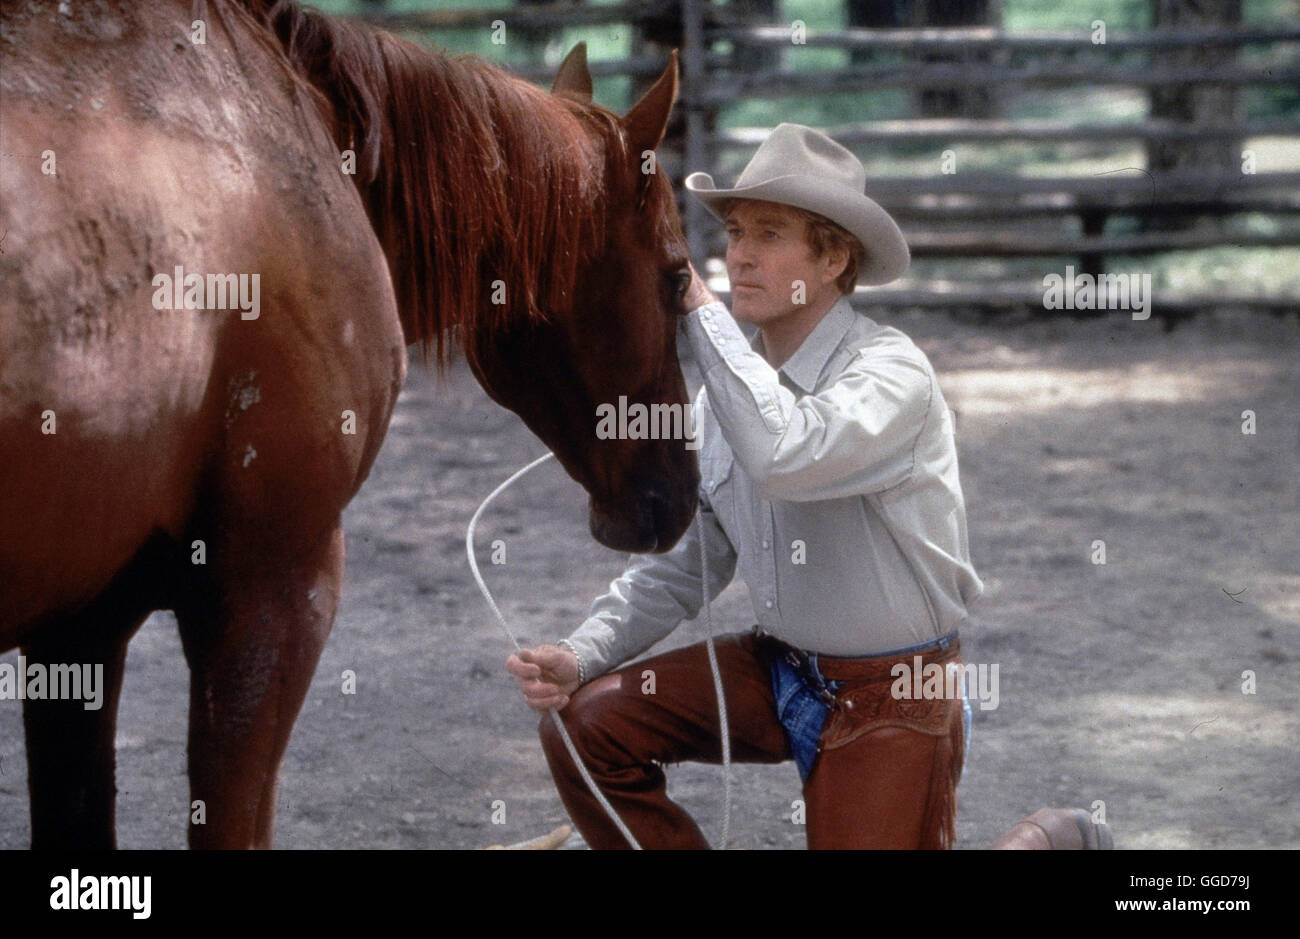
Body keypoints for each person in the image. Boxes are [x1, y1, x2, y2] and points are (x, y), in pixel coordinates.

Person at [506, 123, 1108, 850]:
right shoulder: (725, 403)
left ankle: (1039, 844)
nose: (740, 254)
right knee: (584, 726)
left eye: (771, 232)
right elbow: (685, 564)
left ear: (833, 258)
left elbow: (785, 452)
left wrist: (702, 312)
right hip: (776, 666)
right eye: (734, 231)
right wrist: (581, 652)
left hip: (894, 694)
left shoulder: (893, 374)